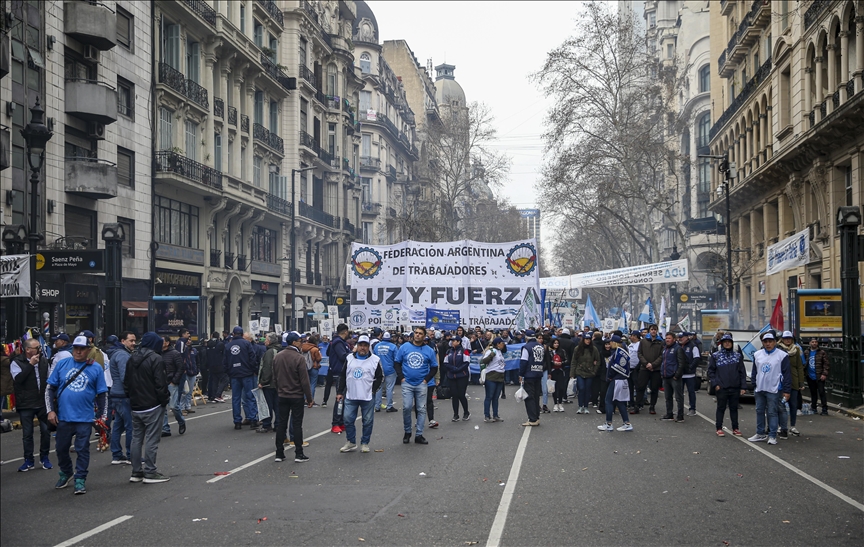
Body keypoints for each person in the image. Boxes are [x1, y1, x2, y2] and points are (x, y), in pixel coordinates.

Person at [45, 336, 108, 495]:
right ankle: (66, 472)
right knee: (61, 448)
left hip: (85, 418)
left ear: (88, 350)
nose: (78, 351)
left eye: (82, 348)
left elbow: (102, 394)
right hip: (64, 417)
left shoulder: (95, 368)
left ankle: (80, 478)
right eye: (75, 348)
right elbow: (49, 389)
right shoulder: (62, 364)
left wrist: (103, 415)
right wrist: (50, 411)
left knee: (82, 449)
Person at [125, 332, 171, 484]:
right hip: (152, 404)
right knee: (152, 439)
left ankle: (136, 471)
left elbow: (126, 382)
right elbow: (160, 383)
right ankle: (150, 471)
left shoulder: (132, 358)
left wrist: (131, 398)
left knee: (137, 438)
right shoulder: (156, 359)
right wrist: (164, 399)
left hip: (136, 404)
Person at [12, 338, 53, 472]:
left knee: (46, 431)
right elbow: (18, 380)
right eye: (36, 348)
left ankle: (44, 457)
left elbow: (49, 380)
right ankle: (28, 460)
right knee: (27, 434)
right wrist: (30, 365)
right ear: (28, 350)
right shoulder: (17, 362)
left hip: (41, 402)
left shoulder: (44, 361)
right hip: (26, 403)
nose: (39, 350)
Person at [337, 335, 383, 453]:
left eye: (365, 345)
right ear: (357, 346)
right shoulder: (349, 359)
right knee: (347, 419)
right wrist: (339, 392)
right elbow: (342, 375)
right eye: (360, 345)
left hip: (367, 396)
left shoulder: (375, 360)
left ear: (368, 347)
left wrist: (373, 390)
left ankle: (365, 442)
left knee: (367, 421)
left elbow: (380, 377)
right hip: (351, 395)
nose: (363, 348)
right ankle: (351, 442)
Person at [272, 332, 312, 463]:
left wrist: (279, 390)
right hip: (296, 395)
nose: (302, 344)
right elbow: (304, 381)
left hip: (282, 394)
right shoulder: (299, 358)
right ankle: (299, 453)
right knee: (296, 424)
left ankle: (279, 453)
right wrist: (309, 397)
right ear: (294, 342)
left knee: (281, 423)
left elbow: (275, 377)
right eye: (300, 341)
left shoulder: (278, 357)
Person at [394, 326, 437, 444]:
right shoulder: (404, 347)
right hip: (407, 383)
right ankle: (407, 432)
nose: (417, 335)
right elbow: (397, 363)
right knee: (407, 407)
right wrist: (401, 378)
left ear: (424, 336)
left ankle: (419, 434)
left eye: (420, 333)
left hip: (421, 384)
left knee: (421, 409)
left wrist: (426, 380)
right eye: (416, 333)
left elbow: (434, 367)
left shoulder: (429, 350)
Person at [748, 331, 791, 445]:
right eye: (765, 341)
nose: (768, 344)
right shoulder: (757, 354)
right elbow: (754, 370)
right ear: (762, 342)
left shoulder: (782, 355)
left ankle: (772, 435)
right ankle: (760, 433)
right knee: (759, 411)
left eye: (770, 341)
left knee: (772, 412)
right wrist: (754, 383)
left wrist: (786, 390)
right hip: (760, 388)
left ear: (775, 342)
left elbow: (787, 374)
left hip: (774, 389)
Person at [706, 333, 746, 437]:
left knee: (734, 409)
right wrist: (715, 384)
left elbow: (742, 372)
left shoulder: (737, 356)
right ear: (722, 343)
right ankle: (719, 428)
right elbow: (711, 371)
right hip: (721, 387)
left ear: (732, 343)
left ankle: (735, 428)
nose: (727, 344)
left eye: (729, 342)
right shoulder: (716, 356)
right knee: (721, 408)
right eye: (725, 342)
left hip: (735, 387)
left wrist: (743, 386)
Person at [107, 331, 136, 465]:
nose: (133, 343)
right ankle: (131, 455)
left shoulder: (116, 354)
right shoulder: (123, 355)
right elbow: (126, 377)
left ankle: (117, 454)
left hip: (116, 393)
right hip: (123, 395)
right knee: (130, 425)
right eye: (131, 340)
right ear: (123, 341)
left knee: (118, 425)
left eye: (134, 340)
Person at [224, 326, 258, 430]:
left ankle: (237, 421)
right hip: (246, 374)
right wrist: (254, 370)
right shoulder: (247, 344)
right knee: (250, 397)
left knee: (236, 398)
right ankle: (253, 419)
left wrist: (229, 372)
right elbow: (252, 358)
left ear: (233, 334)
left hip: (234, 375)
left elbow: (225, 362)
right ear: (242, 334)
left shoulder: (228, 345)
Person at [597, 335, 632, 432]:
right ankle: (627, 423)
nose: (610, 343)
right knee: (619, 401)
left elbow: (613, 367)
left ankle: (609, 423)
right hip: (622, 379)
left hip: (616, 380)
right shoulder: (623, 352)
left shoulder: (617, 352)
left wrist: (609, 377)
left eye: (611, 342)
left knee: (608, 400)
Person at [777, 331, 806, 437]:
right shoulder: (778, 349)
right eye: (786, 338)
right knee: (780, 405)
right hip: (782, 380)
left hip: (794, 380)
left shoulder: (796, 350)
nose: (788, 340)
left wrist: (801, 381)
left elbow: (799, 366)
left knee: (793, 405)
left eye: (789, 338)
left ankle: (792, 426)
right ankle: (781, 426)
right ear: (782, 339)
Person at [325, 324, 351, 434]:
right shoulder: (338, 342)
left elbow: (327, 353)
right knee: (340, 398)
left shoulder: (336, 342)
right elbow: (342, 356)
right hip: (339, 372)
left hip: (340, 371)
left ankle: (340, 421)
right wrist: (352, 353)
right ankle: (335, 422)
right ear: (345, 332)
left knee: (343, 398)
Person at [256, 333, 282, 433]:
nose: (264, 341)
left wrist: (263, 382)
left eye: (266, 339)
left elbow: (267, 368)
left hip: (270, 383)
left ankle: (267, 425)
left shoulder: (269, 352)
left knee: (267, 405)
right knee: (277, 405)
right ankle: (278, 424)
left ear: (270, 341)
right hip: (278, 382)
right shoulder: (280, 350)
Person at [518, 329, 545, 427]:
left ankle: (532, 419)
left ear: (526, 338)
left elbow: (523, 361)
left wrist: (521, 374)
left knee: (529, 397)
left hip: (529, 374)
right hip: (539, 373)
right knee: (536, 396)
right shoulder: (541, 346)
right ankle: (536, 417)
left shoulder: (526, 347)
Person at [161, 337, 186, 436]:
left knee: (174, 406)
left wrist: (174, 381)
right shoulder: (157, 353)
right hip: (161, 383)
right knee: (162, 407)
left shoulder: (175, 353)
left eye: (162, 341)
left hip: (171, 382)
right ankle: (165, 428)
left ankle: (181, 421)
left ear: (167, 343)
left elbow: (181, 368)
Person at [636, 324, 664, 414]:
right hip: (644, 368)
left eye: (655, 329)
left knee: (654, 389)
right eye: (652, 329)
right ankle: (637, 405)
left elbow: (661, 355)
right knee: (640, 387)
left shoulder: (660, 342)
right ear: (649, 331)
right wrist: (646, 364)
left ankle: (652, 406)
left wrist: (653, 365)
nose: (653, 331)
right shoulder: (643, 341)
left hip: (655, 369)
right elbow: (640, 353)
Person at [443, 335, 471, 421]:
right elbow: (446, 362)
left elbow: (466, 362)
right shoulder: (449, 351)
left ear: (458, 342)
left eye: (454, 340)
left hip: (462, 376)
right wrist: (452, 369)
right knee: (454, 395)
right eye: (451, 340)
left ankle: (466, 412)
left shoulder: (464, 351)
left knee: (461, 395)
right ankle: (456, 414)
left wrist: (458, 369)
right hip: (451, 376)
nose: (452, 342)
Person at [571, 332, 600, 414]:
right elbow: (574, 361)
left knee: (587, 390)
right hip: (580, 371)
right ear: (583, 340)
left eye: (589, 339)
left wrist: (594, 371)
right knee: (581, 388)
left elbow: (598, 361)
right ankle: (580, 406)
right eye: (586, 339)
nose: (588, 341)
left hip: (590, 372)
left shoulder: (594, 349)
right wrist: (572, 373)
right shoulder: (577, 349)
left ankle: (586, 406)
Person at [660, 333, 687, 422]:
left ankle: (680, 415)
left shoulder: (678, 349)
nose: (667, 340)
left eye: (669, 338)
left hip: (674, 377)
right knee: (668, 397)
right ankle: (669, 414)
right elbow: (663, 362)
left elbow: (681, 363)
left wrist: (677, 375)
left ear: (674, 339)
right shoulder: (665, 349)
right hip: (665, 376)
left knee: (678, 397)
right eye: (666, 338)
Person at [480, 337, 507, 422]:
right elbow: (484, 361)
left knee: (496, 397)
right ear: (498, 343)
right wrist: (492, 355)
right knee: (489, 397)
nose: (503, 344)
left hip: (500, 376)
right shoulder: (491, 351)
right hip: (491, 376)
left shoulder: (499, 352)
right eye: (502, 343)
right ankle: (487, 416)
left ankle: (496, 415)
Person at [373, 331, 398, 412]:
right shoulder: (393, 347)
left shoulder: (377, 346)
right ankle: (389, 406)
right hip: (390, 370)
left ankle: (377, 406)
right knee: (389, 388)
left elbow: (374, 357)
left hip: (379, 370)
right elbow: (396, 359)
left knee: (378, 388)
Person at [678, 332, 701, 416]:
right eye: (679, 337)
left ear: (687, 337)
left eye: (682, 337)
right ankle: (679, 409)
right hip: (679, 374)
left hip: (689, 374)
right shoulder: (677, 346)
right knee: (679, 392)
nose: (680, 339)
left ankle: (692, 409)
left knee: (691, 391)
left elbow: (697, 358)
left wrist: (690, 368)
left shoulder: (693, 346)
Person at [804, 337, 830, 416]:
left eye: (815, 342)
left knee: (822, 392)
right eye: (812, 342)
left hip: (819, 375)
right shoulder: (806, 352)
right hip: (810, 375)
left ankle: (824, 409)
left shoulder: (821, 352)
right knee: (813, 392)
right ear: (810, 343)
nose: (814, 343)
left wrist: (824, 374)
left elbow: (826, 364)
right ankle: (813, 407)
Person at [301, 334, 323, 405]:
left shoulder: (303, 347)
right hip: (314, 367)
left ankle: (304, 399)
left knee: (306, 383)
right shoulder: (315, 349)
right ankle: (310, 400)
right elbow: (318, 359)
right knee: (312, 384)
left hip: (305, 367)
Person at [205, 332, 227, 402]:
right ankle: (218, 394)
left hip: (211, 365)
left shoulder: (208, 344)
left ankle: (213, 396)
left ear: (212, 336)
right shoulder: (220, 344)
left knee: (214, 381)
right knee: (225, 379)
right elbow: (224, 355)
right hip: (220, 365)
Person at [548, 338, 568, 412]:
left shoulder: (562, 351)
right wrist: (553, 363)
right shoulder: (549, 352)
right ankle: (555, 404)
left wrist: (561, 363)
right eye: (555, 343)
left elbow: (566, 360)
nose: (556, 344)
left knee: (561, 387)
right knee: (554, 388)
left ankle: (560, 403)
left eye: (557, 343)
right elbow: (548, 361)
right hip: (553, 371)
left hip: (560, 370)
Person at [626, 331, 642, 413]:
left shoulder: (640, 344)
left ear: (636, 336)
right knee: (630, 387)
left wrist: (638, 367)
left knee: (638, 387)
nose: (630, 337)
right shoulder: (630, 345)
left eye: (632, 336)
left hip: (637, 369)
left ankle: (639, 403)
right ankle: (631, 402)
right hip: (629, 369)